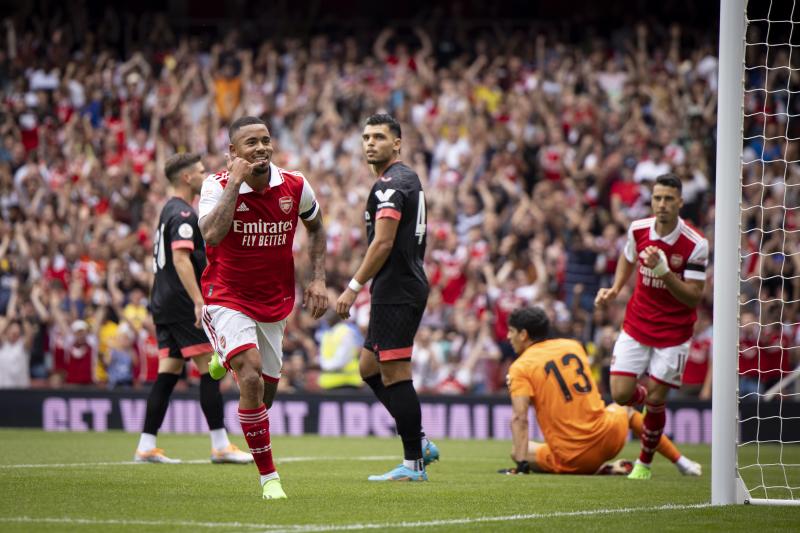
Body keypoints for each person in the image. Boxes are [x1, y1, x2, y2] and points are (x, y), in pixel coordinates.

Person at [199, 116, 328, 500]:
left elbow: (317, 227)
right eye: (250, 143)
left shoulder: (295, 185)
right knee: (251, 376)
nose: (260, 148)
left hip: (273, 303)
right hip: (226, 296)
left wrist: (317, 278)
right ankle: (269, 478)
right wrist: (236, 183)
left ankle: (224, 356)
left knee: (264, 399)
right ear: (233, 153)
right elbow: (211, 234)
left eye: (265, 140)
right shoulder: (216, 185)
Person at [336, 113, 437, 482]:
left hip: (398, 289)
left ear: (397, 143)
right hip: (396, 287)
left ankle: (414, 462)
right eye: (365, 137)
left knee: (395, 372)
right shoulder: (404, 179)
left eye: (379, 136)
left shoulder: (391, 184)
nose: (369, 143)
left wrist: (352, 287)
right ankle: (420, 441)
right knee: (368, 368)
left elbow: (383, 241)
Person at [135, 153, 251, 465]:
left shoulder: (167, 210)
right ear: (187, 178)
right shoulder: (184, 214)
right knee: (210, 370)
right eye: (200, 172)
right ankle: (220, 444)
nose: (205, 176)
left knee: (168, 374)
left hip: (163, 303)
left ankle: (146, 445)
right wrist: (199, 301)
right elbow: (180, 259)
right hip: (182, 304)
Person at [594, 173, 708, 480]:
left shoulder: (695, 244)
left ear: (680, 202)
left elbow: (693, 297)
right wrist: (616, 289)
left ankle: (644, 463)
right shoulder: (638, 228)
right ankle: (649, 396)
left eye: (669, 199)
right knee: (620, 394)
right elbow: (627, 257)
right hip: (636, 324)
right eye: (657, 198)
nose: (662, 204)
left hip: (673, 334)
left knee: (657, 401)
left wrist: (664, 271)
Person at [500, 306, 701, 476]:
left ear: (524, 334)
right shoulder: (574, 346)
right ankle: (681, 461)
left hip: (572, 457)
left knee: (519, 450)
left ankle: (597, 469)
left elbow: (520, 418)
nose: (508, 336)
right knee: (628, 411)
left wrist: (520, 466)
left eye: (511, 331)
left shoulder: (521, 367)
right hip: (608, 436)